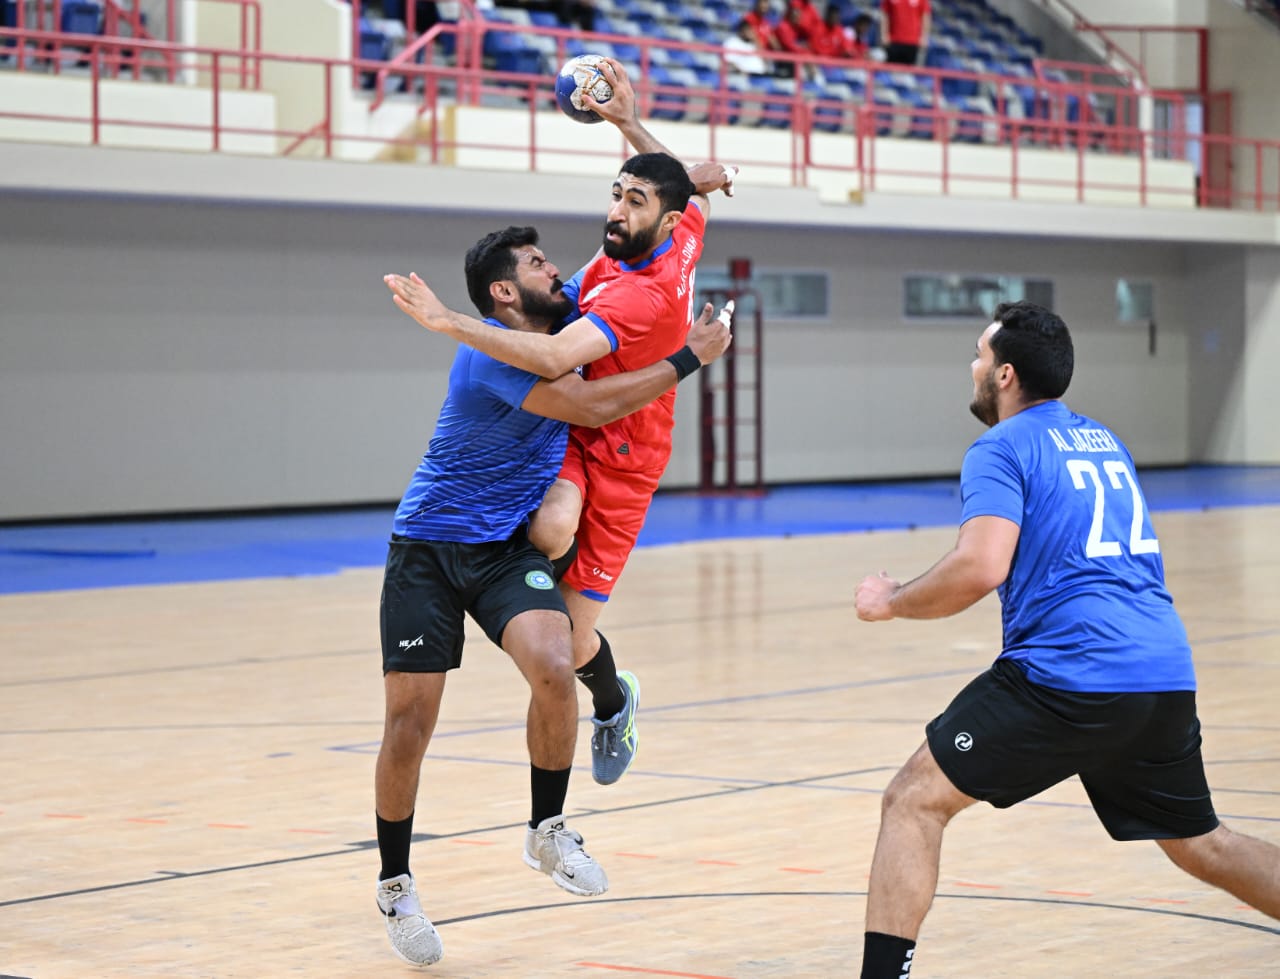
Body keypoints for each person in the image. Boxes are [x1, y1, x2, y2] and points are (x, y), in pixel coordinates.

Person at [853, 301, 1280, 978]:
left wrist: (893, 600)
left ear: (1005, 376)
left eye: (979, 355)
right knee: (1203, 844)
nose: (972, 366)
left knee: (913, 800)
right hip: (1161, 671)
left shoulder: (1001, 447)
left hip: (1069, 674)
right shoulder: (1104, 441)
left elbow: (980, 566)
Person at [373, 226, 732, 967]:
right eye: (538, 264)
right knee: (410, 723)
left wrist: (684, 185)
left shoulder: (562, 317)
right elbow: (592, 408)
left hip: (502, 548)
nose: (556, 269)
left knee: (554, 660)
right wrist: (689, 357)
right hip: (428, 548)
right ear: (505, 292)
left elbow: (623, 253)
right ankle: (396, 884)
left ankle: (547, 830)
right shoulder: (492, 353)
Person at [385, 59, 737, 788]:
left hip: (630, 453)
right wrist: (627, 122)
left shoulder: (642, 296)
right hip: (578, 432)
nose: (617, 210)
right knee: (549, 529)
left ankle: (613, 699)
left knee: (576, 643)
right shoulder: (675, 231)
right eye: (616, 194)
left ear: (663, 221)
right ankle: (518, 587)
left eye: (633, 202)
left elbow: (552, 357)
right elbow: (673, 184)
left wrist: (449, 321)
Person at [879, 0, 930, 66]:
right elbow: (885, 15)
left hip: (913, 41)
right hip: (893, 40)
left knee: (909, 69)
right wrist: (884, 34)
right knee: (891, 67)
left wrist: (924, 37)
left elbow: (925, 16)